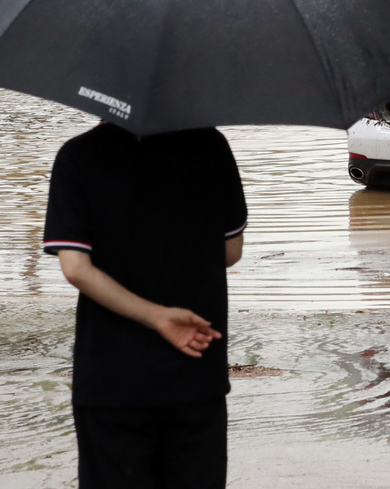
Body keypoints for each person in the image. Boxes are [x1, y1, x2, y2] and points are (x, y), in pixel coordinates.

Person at [43, 123, 247, 488]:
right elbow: (231, 252)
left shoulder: (77, 155)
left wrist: (157, 317)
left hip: (111, 377)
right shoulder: (211, 146)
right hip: (197, 369)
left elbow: (75, 269)